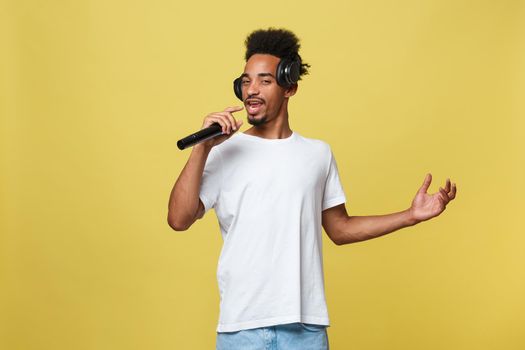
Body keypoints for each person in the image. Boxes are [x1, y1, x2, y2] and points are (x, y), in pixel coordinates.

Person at [167, 28, 457, 350]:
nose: (252, 90)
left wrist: (410, 216)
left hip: (305, 332)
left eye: (265, 81)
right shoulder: (222, 152)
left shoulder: (317, 154)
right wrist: (202, 148)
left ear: (290, 86)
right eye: (246, 81)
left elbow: (340, 229)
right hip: (241, 329)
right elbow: (179, 219)